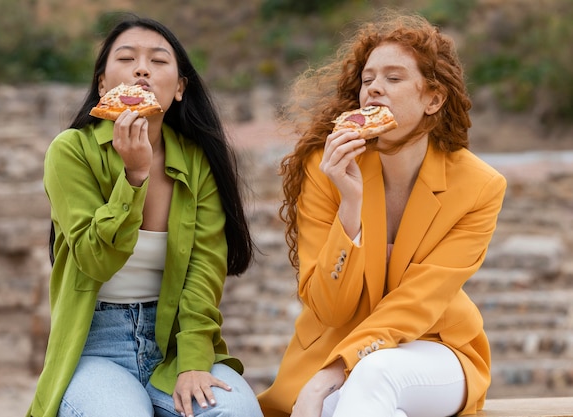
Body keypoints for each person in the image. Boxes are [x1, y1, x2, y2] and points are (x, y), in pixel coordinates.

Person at [257, 10, 507, 417]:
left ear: (433, 98)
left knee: (373, 374)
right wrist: (350, 206)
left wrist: (330, 374)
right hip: (333, 344)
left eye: (393, 78)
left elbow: (418, 302)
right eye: (368, 80)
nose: (374, 89)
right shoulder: (324, 168)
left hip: (434, 347)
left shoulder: (479, 186)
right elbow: (330, 308)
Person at [27, 14, 263, 417]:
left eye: (158, 61)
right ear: (103, 84)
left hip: (175, 342)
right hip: (95, 346)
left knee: (235, 411)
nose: (142, 68)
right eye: (126, 58)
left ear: (180, 88)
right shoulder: (70, 152)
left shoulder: (197, 161)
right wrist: (134, 178)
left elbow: (204, 270)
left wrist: (192, 361)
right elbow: (95, 259)